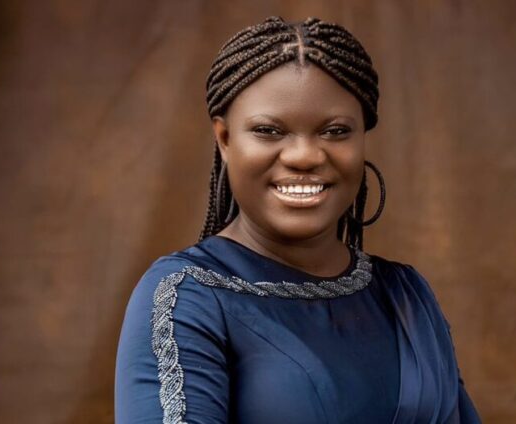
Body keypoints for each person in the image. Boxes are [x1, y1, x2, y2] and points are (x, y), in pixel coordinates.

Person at [114, 16, 481, 424]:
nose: (304, 156)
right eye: (269, 131)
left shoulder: (406, 297)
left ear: (362, 138)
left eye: (335, 131)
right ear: (225, 138)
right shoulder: (185, 298)